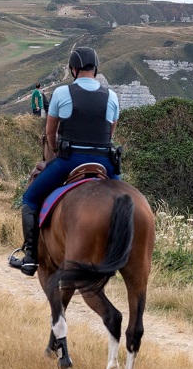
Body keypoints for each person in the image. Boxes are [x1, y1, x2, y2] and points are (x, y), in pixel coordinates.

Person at [8, 47, 121, 276]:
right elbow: (111, 132)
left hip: (70, 161)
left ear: (73, 69)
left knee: (29, 198)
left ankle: (30, 256)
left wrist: (58, 148)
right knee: (126, 200)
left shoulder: (62, 93)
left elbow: (50, 133)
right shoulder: (112, 96)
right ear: (95, 69)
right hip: (105, 163)